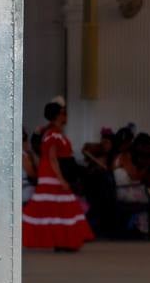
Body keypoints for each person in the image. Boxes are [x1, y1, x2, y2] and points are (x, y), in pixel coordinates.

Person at [22, 99, 95, 252]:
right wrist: (61, 179)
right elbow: (52, 157)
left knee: (58, 207)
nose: (66, 116)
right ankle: (62, 240)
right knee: (55, 206)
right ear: (58, 115)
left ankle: (64, 241)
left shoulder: (53, 132)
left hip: (52, 172)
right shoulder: (52, 134)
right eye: (64, 113)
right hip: (51, 173)